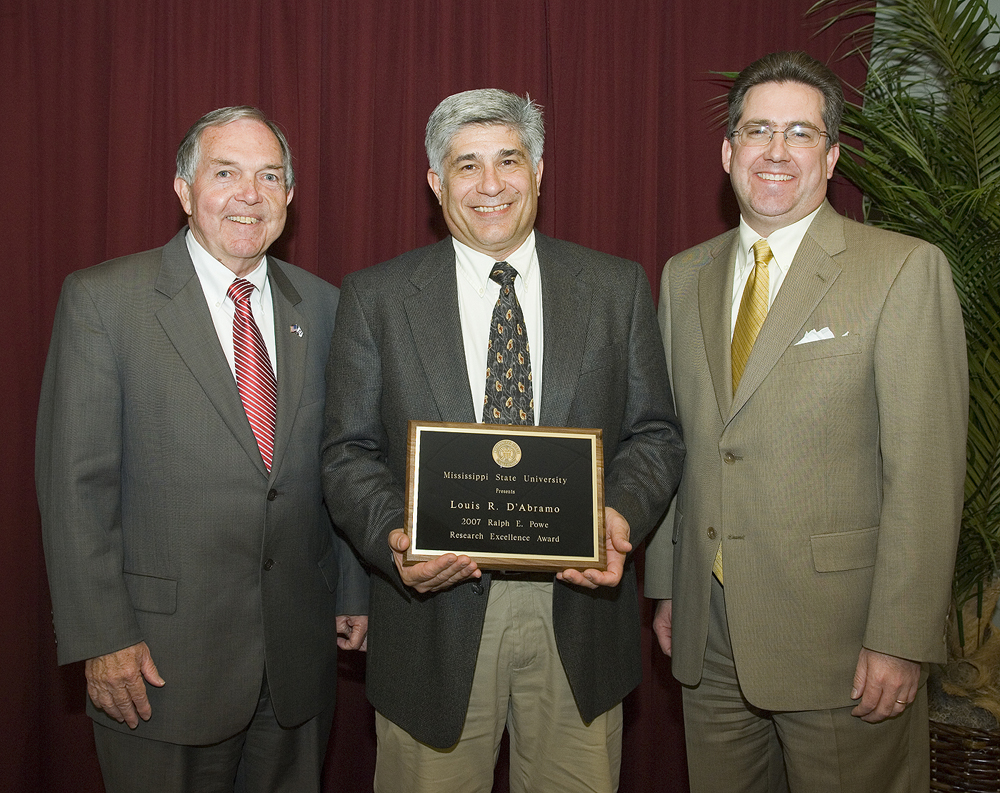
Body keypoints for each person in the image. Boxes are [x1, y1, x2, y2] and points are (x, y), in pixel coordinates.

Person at [322, 88, 684, 792]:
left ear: (540, 169)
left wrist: (620, 516)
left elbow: (656, 435)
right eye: (466, 166)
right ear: (435, 182)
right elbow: (346, 452)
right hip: (433, 618)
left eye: (509, 160)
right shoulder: (377, 297)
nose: (491, 185)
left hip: (578, 614)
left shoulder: (616, 288)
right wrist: (396, 535)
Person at [644, 51, 968, 792]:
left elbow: (925, 472)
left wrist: (900, 637)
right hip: (709, 631)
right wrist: (668, 587)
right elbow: (676, 440)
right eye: (758, 130)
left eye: (800, 132)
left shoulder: (902, 270)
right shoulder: (682, 275)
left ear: (832, 155)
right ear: (728, 152)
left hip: (843, 640)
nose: (777, 151)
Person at [36, 106, 368, 793]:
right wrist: (101, 637)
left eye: (269, 175)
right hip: (160, 665)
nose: (249, 193)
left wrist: (354, 588)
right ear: (184, 190)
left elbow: (343, 460)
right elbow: (75, 486)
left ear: (289, 197)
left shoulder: (329, 306)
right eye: (226, 173)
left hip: (296, 662)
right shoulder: (104, 302)